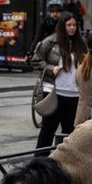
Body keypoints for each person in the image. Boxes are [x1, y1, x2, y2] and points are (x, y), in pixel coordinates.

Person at [34, 12, 83, 149]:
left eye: (74, 25)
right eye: (69, 25)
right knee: (47, 132)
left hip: (75, 95)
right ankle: (39, 164)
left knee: (70, 133)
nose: (72, 28)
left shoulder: (81, 43)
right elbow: (35, 60)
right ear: (62, 26)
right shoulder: (50, 42)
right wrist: (51, 69)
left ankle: (64, 164)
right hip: (54, 94)